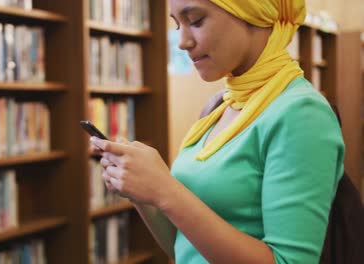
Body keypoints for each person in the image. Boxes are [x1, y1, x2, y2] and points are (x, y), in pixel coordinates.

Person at [89, 0, 345, 263]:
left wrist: (166, 191)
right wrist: (142, 193)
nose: (182, 42)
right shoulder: (219, 106)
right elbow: (184, 248)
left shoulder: (301, 113)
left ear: (252, 12)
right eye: (178, 25)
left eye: (196, 21)